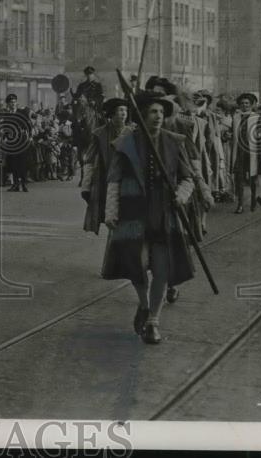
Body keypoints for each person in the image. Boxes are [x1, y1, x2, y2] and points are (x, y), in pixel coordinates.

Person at [102, 92, 196, 344]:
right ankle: (143, 304)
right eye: (153, 112)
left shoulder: (174, 142)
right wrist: (111, 212)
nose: (158, 116)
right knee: (138, 264)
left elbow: (188, 177)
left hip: (165, 211)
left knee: (162, 268)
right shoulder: (126, 143)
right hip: (133, 212)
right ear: (143, 114)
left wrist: (182, 195)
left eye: (162, 113)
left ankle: (154, 320)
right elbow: (114, 180)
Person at [80, 97, 130, 234]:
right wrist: (86, 185)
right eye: (120, 110)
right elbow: (89, 159)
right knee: (110, 217)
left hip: (126, 180)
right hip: (105, 181)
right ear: (112, 113)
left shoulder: (132, 133)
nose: (123, 113)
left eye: (125, 110)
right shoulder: (99, 133)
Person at [229, 92, 261, 214]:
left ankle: (254, 198)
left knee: (252, 177)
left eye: (247, 103)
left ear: (251, 105)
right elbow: (231, 133)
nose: (244, 105)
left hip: (253, 151)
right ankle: (240, 204)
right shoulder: (236, 117)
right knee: (239, 177)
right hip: (239, 151)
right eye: (242, 103)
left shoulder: (256, 117)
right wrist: (227, 135)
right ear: (239, 105)